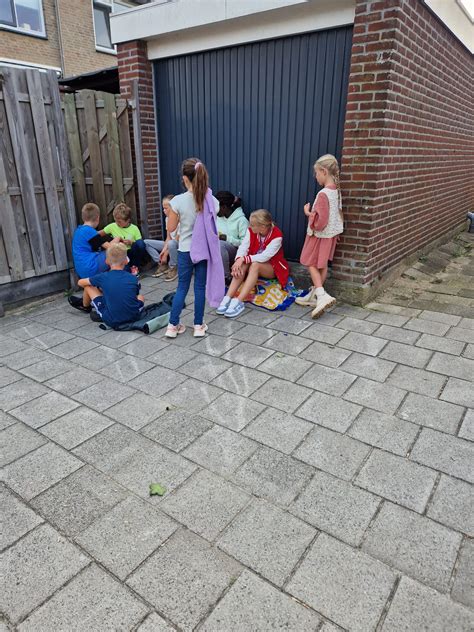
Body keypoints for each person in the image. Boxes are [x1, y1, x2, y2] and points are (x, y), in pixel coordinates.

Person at [165, 157, 224, 338]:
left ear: (185, 178)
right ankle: (198, 326)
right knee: (199, 287)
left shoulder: (178, 201)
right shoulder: (211, 200)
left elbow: (171, 229)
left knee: (182, 287)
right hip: (203, 250)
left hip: (185, 250)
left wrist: (177, 231)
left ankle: (172, 326)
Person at [295, 154, 344, 318]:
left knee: (309, 261)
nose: (315, 177)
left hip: (319, 236)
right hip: (330, 236)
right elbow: (336, 214)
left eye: (316, 173)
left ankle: (322, 295)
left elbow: (321, 221)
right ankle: (315, 296)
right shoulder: (336, 191)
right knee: (321, 265)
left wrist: (309, 213)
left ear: (323, 171)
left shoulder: (323, 194)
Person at [216, 209, 289, 318]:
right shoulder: (251, 231)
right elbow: (243, 247)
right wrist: (238, 260)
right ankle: (227, 298)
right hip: (253, 262)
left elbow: (265, 256)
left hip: (272, 267)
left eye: (253, 225)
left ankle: (239, 301)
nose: (250, 226)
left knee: (254, 264)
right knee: (242, 264)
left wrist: (244, 259)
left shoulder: (277, 235)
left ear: (263, 227)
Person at [77, 243, 145, 328]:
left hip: (112, 320)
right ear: (126, 261)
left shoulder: (102, 277)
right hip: (134, 317)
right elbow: (134, 295)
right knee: (140, 296)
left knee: (88, 286)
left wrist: (96, 283)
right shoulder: (133, 278)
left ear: (106, 261)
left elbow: (80, 282)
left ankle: (86, 307)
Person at [70, 203, 121, 312]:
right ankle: (116, 286)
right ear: (97, 218)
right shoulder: (90, 232)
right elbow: (109, 248)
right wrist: (118, 239)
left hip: (82, 268)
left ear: (83, 217)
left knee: (90, 283)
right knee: (115, 253)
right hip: (91, 265)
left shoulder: (79, 231)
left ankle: (85, 305)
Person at [101, 203, 148, 269]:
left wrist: (131, 243)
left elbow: (140, 245)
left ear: (127, 220)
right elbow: (98, 234)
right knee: (125, 269)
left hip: (132, 253)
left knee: (141, 243)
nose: (117, 223)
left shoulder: (134, 228)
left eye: (119, 222)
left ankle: (135, 266)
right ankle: (128, 268)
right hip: (120, 254)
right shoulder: (112, 226)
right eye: (115, 221)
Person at [215, 191, 249, 281]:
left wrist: (227, 238)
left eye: (216, 207)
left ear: (224, 207)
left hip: (236, 255)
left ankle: (226, 277)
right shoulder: (217, 218)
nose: (214, 209)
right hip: (219, 254)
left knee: (220, 245)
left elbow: (246, 244)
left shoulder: (241, 220)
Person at [144, 195, 179, 281]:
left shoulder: (180, 219)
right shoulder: (167, 219)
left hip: (179, 245)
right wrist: (163, 252)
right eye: (163, 208)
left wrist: (166, 254)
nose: (164, 211)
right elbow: (168, 237)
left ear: (173, 207)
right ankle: (161, 263)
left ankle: (174, 267)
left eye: (166, 208)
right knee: (146, 242)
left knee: (171, 244)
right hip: (171, 243)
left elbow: (177, 239)